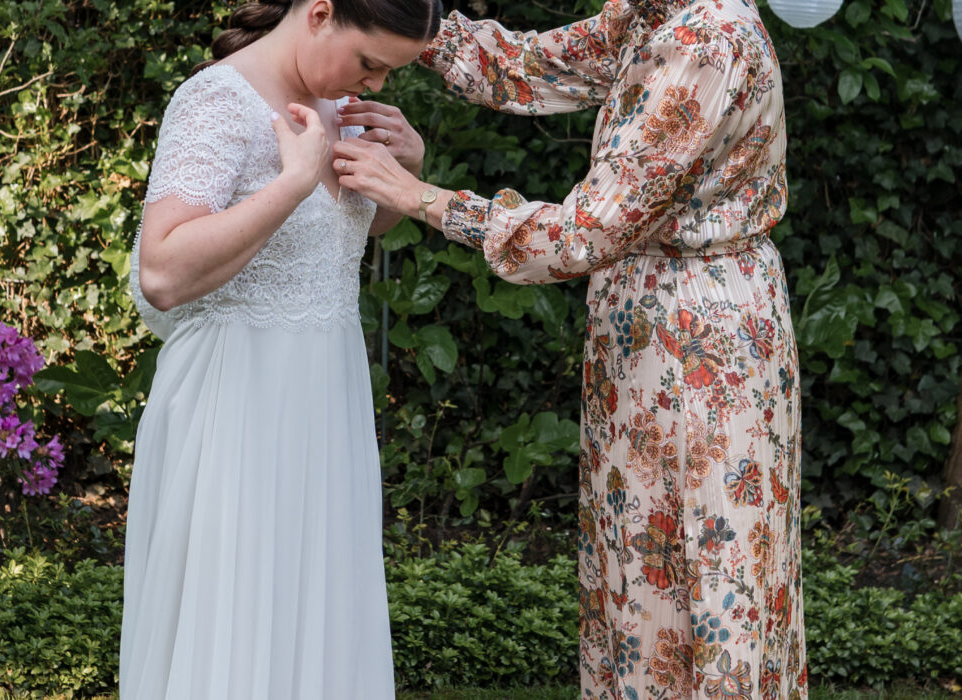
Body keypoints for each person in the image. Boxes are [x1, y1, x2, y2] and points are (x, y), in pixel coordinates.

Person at [335, 0, 807, 697]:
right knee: (639, 577)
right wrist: (416, 20)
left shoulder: (710, 38)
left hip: (702, 342)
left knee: (710, 569)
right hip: (642, 337)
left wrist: (423, 198)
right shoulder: (647, 13)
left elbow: (584, 234)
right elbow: (529, 68)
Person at [119, 0, 439, 697]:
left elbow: (354, 226)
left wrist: (405, 171)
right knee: (233, 611)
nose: (378, 86)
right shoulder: (216, 101)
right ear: (320, 13)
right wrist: (296, 181)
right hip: (236, 404)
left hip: (325, 400)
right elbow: (164, 272)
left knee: (315, 608)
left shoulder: (337, 101)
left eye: (389, 72)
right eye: (371, 63)